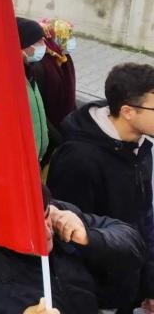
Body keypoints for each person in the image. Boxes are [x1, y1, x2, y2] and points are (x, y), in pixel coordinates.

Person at [47, 63, 154, 311]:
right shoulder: (78, 161)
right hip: (98, 296)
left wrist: (149, 284)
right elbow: (67, 241)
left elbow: (145, 219)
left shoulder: (140, 147)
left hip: (128, 285)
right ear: (127, 111)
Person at [0, 187, 146, 314]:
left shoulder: (58, 216)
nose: (46, 232)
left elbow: (133, 245)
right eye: (30, 229)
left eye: (45, 217)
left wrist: (90, 237)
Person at [34, 19, 77, 147]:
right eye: (66, 37)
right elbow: (39, 107)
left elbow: (70, 92)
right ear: (54, 38)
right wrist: (59, 139)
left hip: (63, 127)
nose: (71, 41)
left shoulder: (64, 58)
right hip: (49, 132)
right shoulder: (40, 66)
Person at [17, 17, 49, 163]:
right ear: (22, 46)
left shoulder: (30, 72)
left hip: (36, 159)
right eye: (38, 42)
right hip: (23, 163)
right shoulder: (12, 80)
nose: (43, 45)